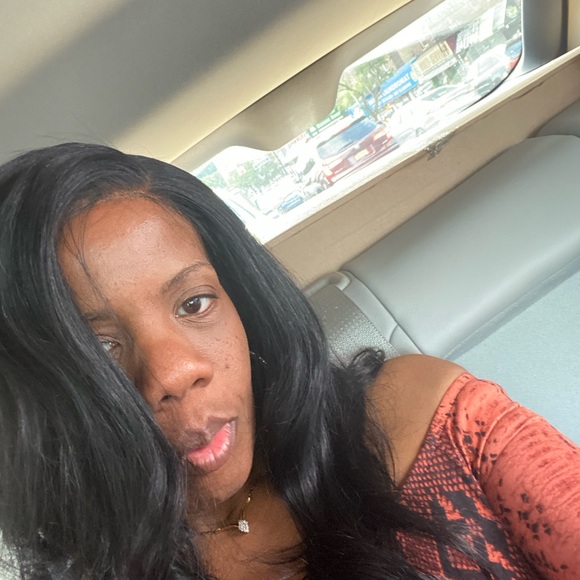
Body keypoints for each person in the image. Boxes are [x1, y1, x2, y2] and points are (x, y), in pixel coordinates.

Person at [0, 142, 577, 580]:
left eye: (195, 303)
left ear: (244, 303)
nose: (175, 373)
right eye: (97, 349)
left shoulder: (428, 420)